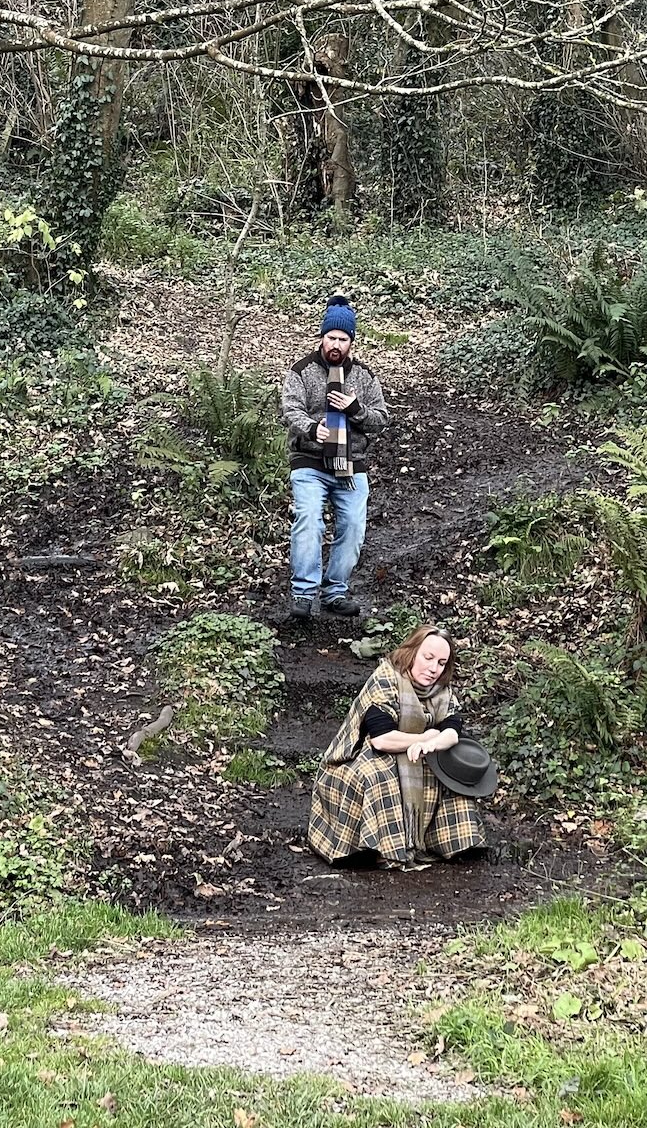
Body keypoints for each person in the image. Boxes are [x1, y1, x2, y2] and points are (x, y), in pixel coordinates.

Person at [308, 625, 495, 867]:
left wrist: (435, 742)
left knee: (450, 774)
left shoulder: (442, 691)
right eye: (428, 658)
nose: (433, 669)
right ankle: (372, 849)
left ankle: (453, 843)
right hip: (371, 751)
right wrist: (424, 739)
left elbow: (452, 731)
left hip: (423, 752)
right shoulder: (386, 678)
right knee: (375, 777)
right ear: (412, 652)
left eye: (441, 663)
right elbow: (381, 739)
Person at [281, 294, 389, 620]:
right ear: (321, 337)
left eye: (343, 339)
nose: (336, 345)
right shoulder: (301, 371)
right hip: (309, 460)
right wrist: (314, 429)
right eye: (331, 337)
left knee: (354, 527)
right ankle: (303, 594)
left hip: (352, 464)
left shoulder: (365, 376)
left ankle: (335, 592)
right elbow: (290, 409)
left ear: (351, 343)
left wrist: (355, 409)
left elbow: (382, 418)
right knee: (309, 521)